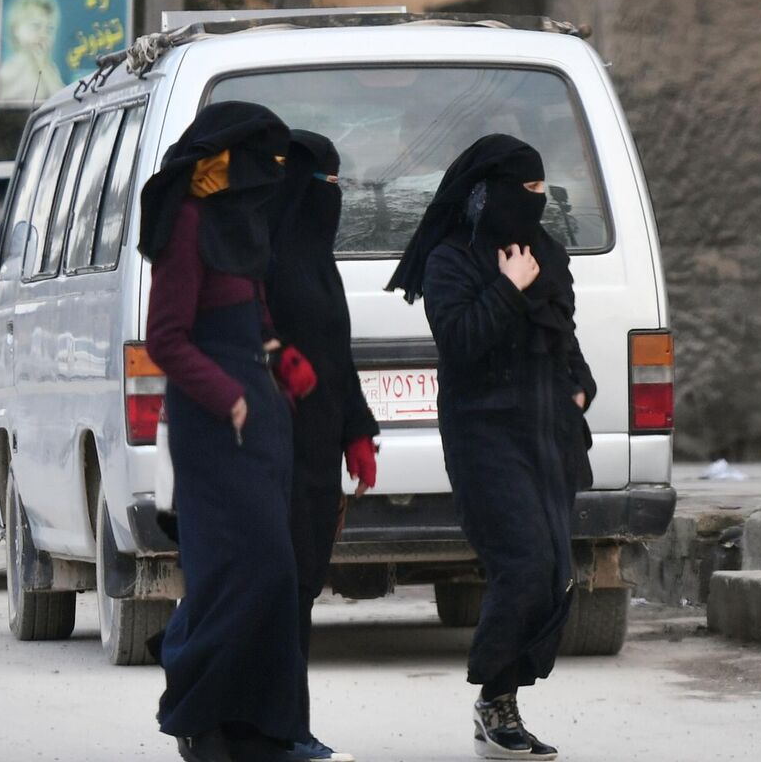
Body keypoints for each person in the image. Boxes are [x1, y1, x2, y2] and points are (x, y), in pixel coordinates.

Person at [385, 135, 595, 762]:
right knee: (524, 564)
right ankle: (493, 701)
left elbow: (563, 334)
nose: (535, 203)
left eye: (541, 192)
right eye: (524, 192)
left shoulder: (546, 253)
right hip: (484, 436)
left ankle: (505, 701)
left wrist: (581, 389)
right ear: (490, 196)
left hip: (547, 433)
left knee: (556, 574)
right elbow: (462, 340)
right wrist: (507, 287)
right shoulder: (452, 261)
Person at [140, 101, 309, 762]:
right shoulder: (185, 223)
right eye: (263, 159)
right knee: (240, 572)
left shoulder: (238, 222)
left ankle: (263, 731)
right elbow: (166, 340)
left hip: (260, 418)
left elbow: (253, 309)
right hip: (212, 427)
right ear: (227, 160)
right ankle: (200, 719)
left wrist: (280, 361)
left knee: (275, 573)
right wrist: (230, 396)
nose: (272, 175)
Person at [263, 130, 380, 762]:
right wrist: (278, 362)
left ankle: (292, 725)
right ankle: (273, 726)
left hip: (317, 457)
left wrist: (357, 430)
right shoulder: (265, 263)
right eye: (324, 184)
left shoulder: (317, 262)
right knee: (277, 589)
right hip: (272, 453)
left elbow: (339, 356)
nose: (332, 197)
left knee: (302, 587)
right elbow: (245, 339)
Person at [0, 0, 66, 103]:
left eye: (49, 29)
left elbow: (63, 99)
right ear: (16, 30)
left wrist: (44, 67)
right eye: (36, 26)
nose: (43, 34)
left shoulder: (50, 69)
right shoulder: (9, 71)